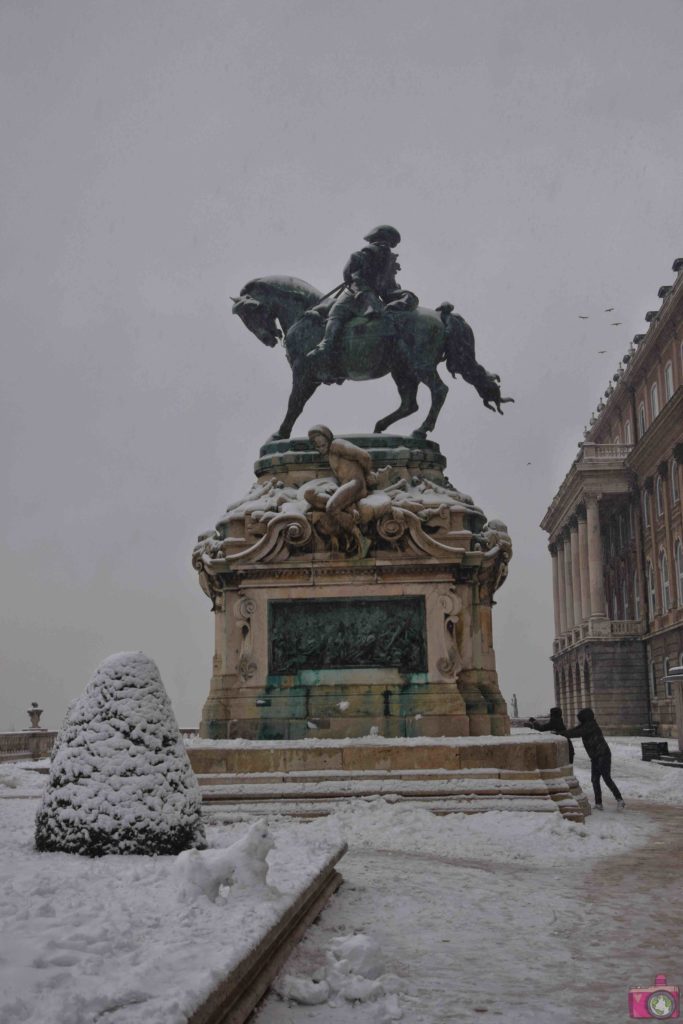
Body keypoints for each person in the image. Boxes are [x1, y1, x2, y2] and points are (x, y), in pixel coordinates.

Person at [306, 225, 416, 381]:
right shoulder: (388, 259)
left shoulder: (365, 253)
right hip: (374, 296)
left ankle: (326, 345)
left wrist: (359, 287)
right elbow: (388, 285)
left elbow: (349, 274)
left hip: (357, 293)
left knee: (336, 312)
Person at [562, 707, 625, 811]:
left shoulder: (590, 726)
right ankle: (598, 803)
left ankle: (620, 800)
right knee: (595, 780)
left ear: (585, 717)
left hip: (603, 754)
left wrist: (562, 734)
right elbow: (575, 730)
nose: (579, 720)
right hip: (595, 756)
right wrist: (562, 733)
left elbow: (576, 733)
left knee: (606, 778)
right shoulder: (586, 725)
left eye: (580, 718)